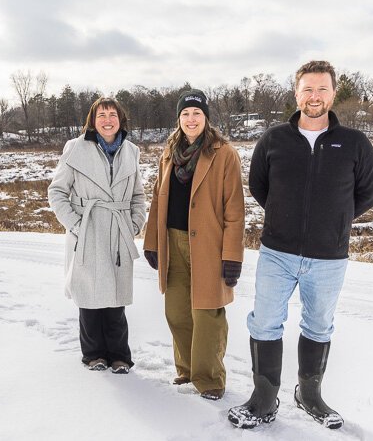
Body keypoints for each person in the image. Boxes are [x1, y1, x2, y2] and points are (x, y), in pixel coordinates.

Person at [228, 60, 373, 429]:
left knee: (319, 326)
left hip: (328, 257)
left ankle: (309, 395)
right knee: (264, 323)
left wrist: (334, 222)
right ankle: (264, 398)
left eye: (322, 89)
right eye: (307, 89)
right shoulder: (274, 139)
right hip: (277, 252)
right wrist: (286, 217)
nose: (315, 96)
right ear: (296, 94)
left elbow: (367, 194)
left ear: (333, 93)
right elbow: (260, 187)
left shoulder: (356, 143)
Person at [143, 89, 245, 400]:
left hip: (209, 246)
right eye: (185, 114)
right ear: (179, 119)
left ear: (206, 118)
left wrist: (232, 256)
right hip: (173, 241)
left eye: (196, 114)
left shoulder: (224, 153)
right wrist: (152, 242)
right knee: (176, 311)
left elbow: (235, 210)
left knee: (207, 314)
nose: (191, 119)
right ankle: (186, 370)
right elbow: (158, 200)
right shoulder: (169, 153)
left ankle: (210, 379)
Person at [48, 97, 146, 374]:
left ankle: (119, 356)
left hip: (117, 231)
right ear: (93, 120)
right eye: (101, 114)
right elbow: (57, 192)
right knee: (89, 296)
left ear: (120, 119)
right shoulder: (75, 148)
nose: (107, 119)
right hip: (88, 229)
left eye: (112, 114)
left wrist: (135, 223)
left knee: (116, 298)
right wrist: (77, 225)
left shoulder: (131, 151)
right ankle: (93, 355)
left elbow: (138, 195)